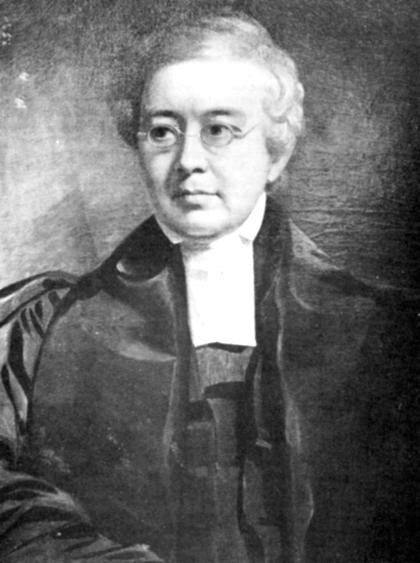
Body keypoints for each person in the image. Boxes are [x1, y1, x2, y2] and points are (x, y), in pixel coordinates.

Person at [0, 10, 417, 563]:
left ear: (276, 152)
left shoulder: (387, 331)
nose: (188, 161)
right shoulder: (46, 326)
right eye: (162, 132)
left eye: (219, 130)